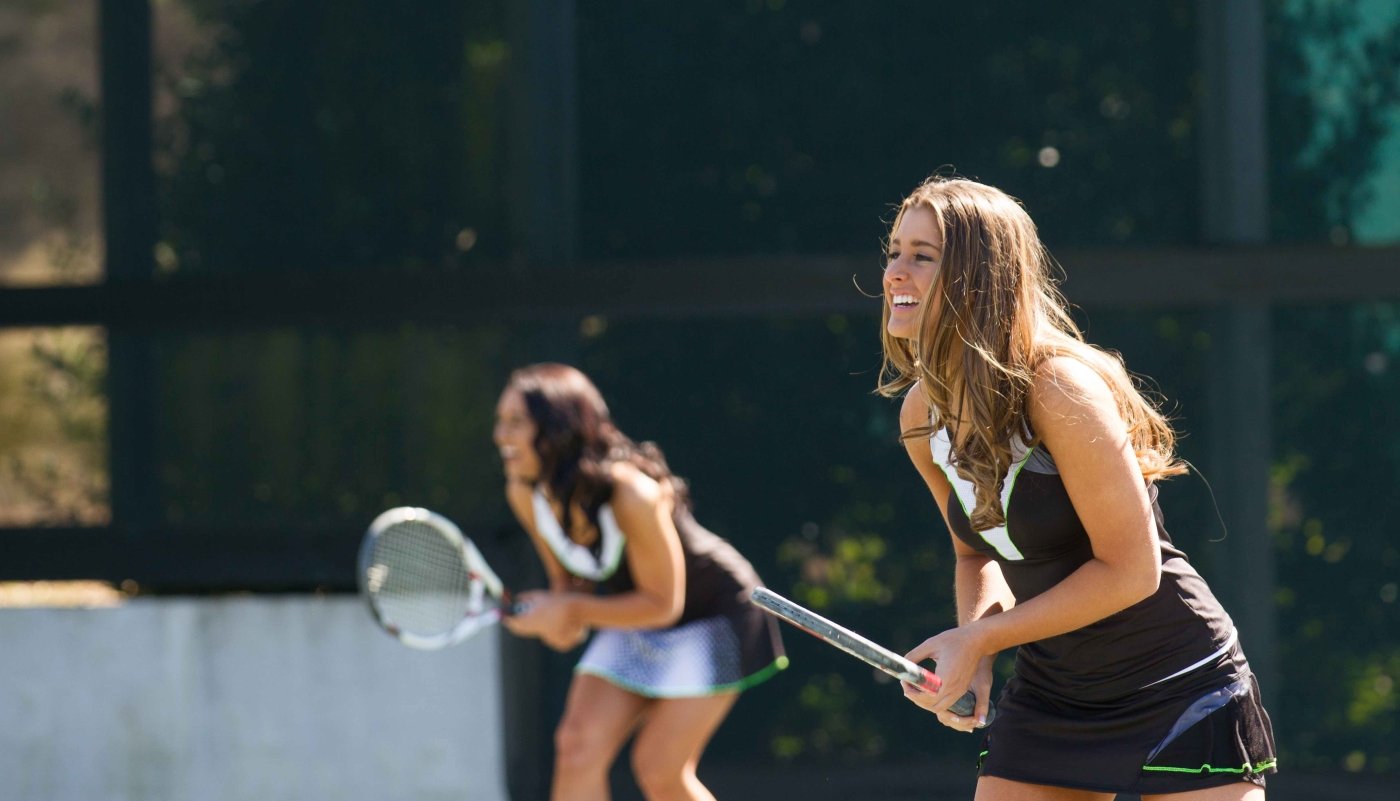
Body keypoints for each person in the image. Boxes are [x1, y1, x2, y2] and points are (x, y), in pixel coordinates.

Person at [876, 175, 1277, 799]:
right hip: (1053, 693)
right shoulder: (920, 414)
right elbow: (976, 552)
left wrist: (979, 637)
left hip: (1176, 683)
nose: (896, 273)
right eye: (895, 252)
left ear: (980, 277)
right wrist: (976, 656)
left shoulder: (1060, 389)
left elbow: (1131, 572)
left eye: (922, 256)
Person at [492, 362, 787, 801]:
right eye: (500, 422)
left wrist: (570, 612)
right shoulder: (523, 492)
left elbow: (663, 603)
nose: (501, 436)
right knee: (576, 748)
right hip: (637, 617)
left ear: (557, 427)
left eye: (516, 422)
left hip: (717, 616)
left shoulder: (633, 493)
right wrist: (556, 621)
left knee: (658, 769)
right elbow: (570, 589)